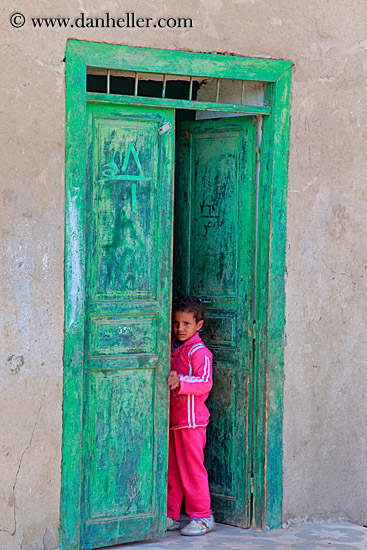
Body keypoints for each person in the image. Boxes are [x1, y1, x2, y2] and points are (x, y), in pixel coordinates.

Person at [166, 295, 215, 536]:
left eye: (186, 324)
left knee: (192, 469)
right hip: (175, 420)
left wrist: (180, 381)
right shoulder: (175, 348)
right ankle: (171, 514)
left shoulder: (199, 352)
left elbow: (205, 383)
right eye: (176, 323)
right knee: (172, 469)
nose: (180, 328)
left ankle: (202, 516)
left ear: (199, 325)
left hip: (192, 421)